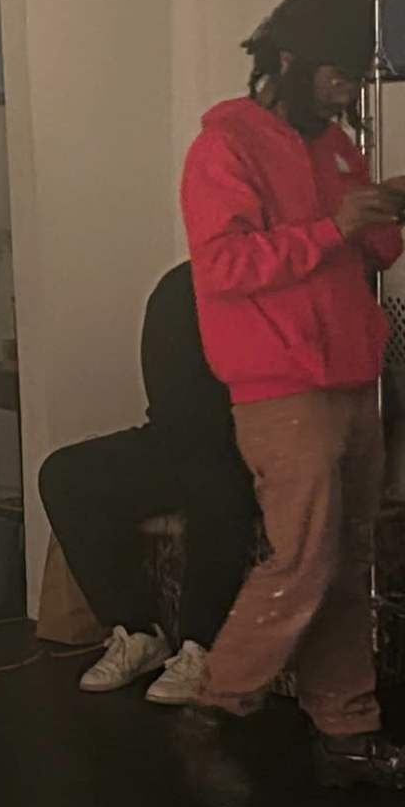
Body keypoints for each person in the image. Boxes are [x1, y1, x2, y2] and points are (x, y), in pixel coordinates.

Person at [169, 0, 405, 807]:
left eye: (356, 75)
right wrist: (335, 225)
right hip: (279, 383)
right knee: (304, 558)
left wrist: (388, 208)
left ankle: (348, 735)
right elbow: (221, 269)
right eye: (334, 73)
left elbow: (374, 254)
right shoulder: (224, 149)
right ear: (288, 60)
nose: (346, 89)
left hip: (351, 376)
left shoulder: (335, 145)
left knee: (345, 560)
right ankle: (211, 713)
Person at [39, 262, 255, 708]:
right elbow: (172, 406)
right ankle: (137, 633)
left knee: (214, 481)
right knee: (65, 474)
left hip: (254, 448)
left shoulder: (282, 285)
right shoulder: (182, 288)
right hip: (181, 441)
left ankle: (202, 647)